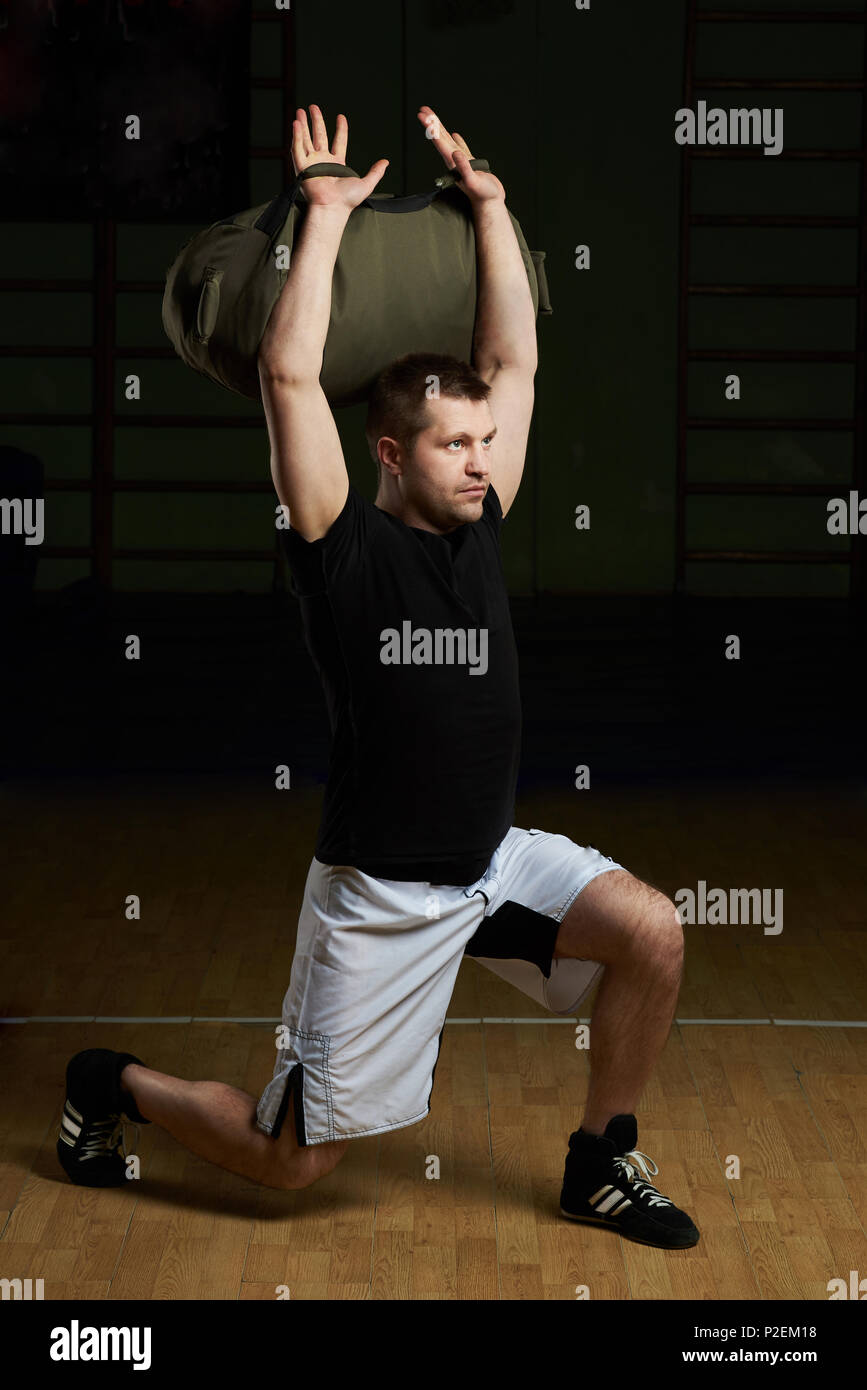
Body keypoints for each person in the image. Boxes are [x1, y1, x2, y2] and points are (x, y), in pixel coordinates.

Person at [57, 105, 699, 1251]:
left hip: (491, 862)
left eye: (487, 443)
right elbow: (291, 374)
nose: (483, 459)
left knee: (654, 930)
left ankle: (600, 1162)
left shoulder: (480, 522)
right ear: (392, 452)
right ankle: (109, 1085)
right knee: (290, 1162)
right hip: (383, 900)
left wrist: (493, 210)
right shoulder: (340, 547)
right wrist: (323, 218)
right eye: (457, 444)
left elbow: (516, 358)